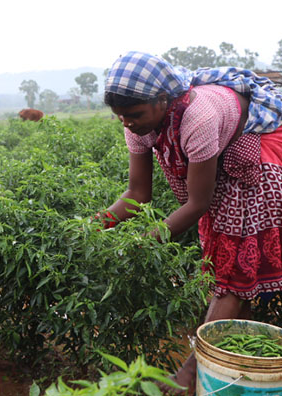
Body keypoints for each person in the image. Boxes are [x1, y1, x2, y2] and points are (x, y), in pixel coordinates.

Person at [102, 51, 282, 394]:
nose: (127, 123)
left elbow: (199, 203)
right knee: (222, 265)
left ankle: (191, 370)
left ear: (161, 100)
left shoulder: (197, 117)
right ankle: (229, 333)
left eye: (134, 115)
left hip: (253, 158)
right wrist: (95, 226)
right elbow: (138, 193)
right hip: (222, 155)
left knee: (231, 273)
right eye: (120, 117)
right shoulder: (137, 124)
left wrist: (145, 241)